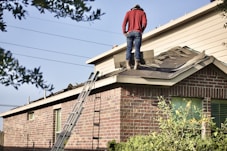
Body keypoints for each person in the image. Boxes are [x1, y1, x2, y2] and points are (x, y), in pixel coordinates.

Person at [122, 4, 147, 70]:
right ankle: (136, 64)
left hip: (129, 32)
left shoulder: (128, 13)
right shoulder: (142, 13)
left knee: (129, 48)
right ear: (139, 8)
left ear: (133, 8)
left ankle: (128, 65)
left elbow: (124, 23)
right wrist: (141, 30)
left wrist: (124, 32)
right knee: (137, 48)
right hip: (137, 32)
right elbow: (144, 23)